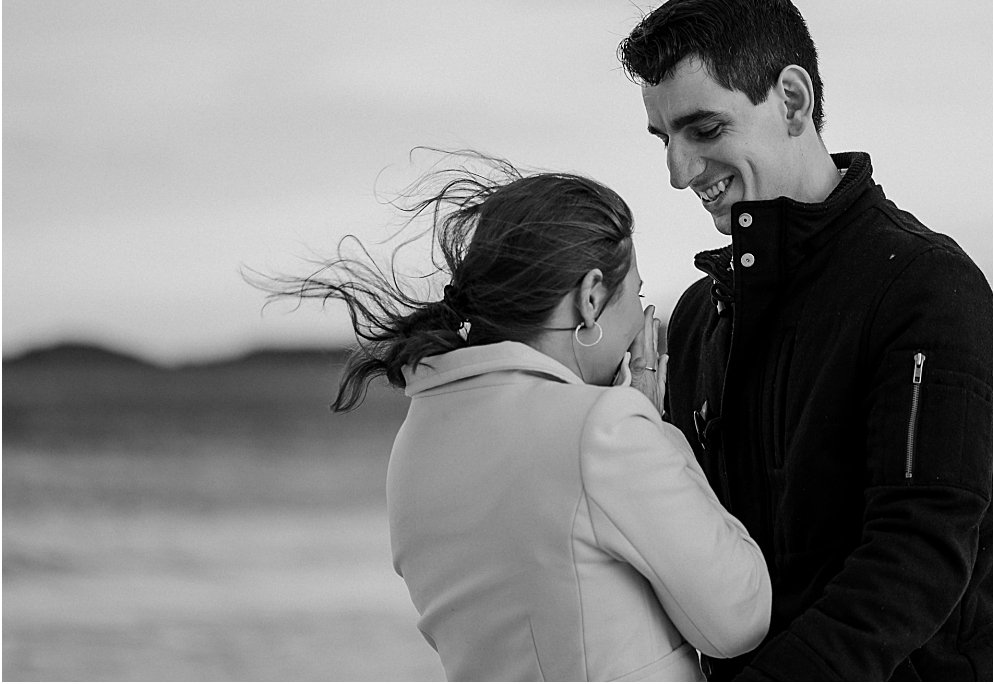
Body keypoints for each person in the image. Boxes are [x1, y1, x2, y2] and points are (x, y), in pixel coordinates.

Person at [618, 0, 993, 682]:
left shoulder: (925, 288)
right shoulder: (699, 316)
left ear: (793, 101)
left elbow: (917, 559)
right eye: (664, 138)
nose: (680, 172)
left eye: (703, 129)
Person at [258, 158, 771, 682]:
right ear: (591, 298)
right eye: (634, 296)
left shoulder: (414, 443)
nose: (640, 317)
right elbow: (739, 617)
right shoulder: (603, 430)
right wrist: (650, 420)